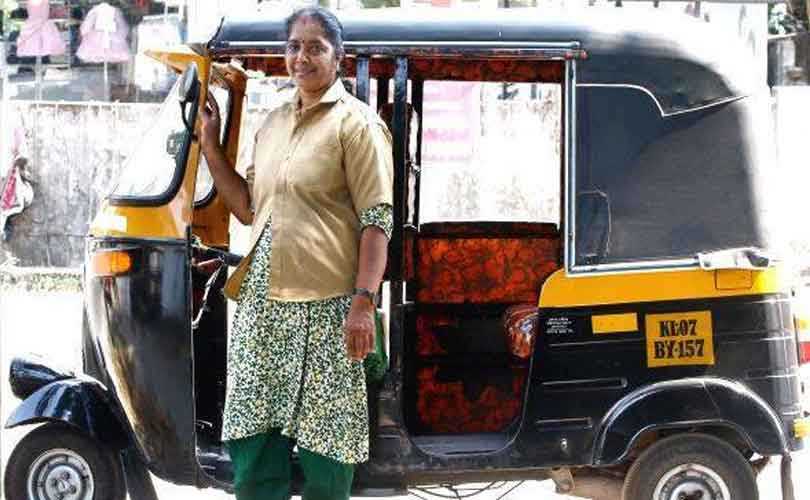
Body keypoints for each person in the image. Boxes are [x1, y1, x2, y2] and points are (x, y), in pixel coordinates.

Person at [199, 6, 394, 500]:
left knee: (327, 445)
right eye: (293, 47)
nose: (301, 57)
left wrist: (363, 302)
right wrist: (210, 145)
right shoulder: (273, 123)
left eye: (315, 47)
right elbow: (248, 208)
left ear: (338, 57)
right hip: (263, 308)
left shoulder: (358, 125)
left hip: (329, 310)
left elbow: (377, 221)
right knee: (254, 434)